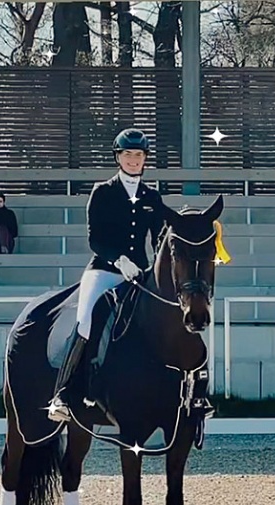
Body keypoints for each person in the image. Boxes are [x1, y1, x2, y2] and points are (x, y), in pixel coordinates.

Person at [48, 128, 168, 422]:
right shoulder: (102, 192)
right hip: (103, 269)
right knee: (87, 318)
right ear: (118, 157)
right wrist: (120, 259)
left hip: (138, 273)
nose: (133, 160)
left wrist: (155, 264)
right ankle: (63, 393)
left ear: (145, 159)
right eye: (127, 154)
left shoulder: (152, 196)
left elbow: (158, 238)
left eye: (138, 155)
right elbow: (95, 239)